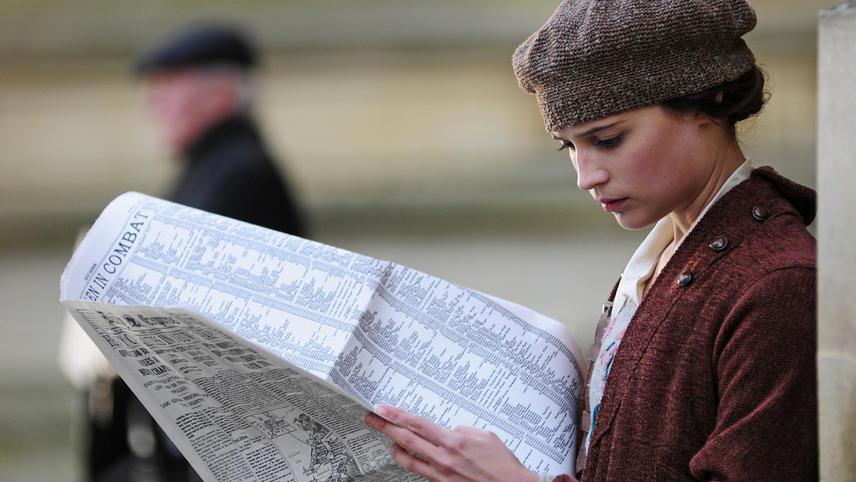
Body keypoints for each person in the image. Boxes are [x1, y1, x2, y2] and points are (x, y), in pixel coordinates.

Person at [364, 0, 817, 480]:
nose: (586, 176)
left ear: (708, 101)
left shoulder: (778, 285)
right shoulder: (667, 255)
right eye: (568, 146)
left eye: (608, 139)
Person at [63, 23, 308, 482]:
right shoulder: (215, 166)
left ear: (219, 92)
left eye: (167, 86)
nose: (150, 103)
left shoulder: (238, 173)